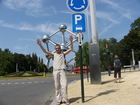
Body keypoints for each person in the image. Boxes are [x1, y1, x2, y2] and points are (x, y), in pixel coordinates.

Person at [37, 35, 73, 105]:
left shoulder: (63, 54)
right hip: (55, 71)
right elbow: (45, 51)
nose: (57, 49)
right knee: (57, 86)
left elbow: (71, 49)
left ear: (60, 48)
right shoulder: (53, 54)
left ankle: (65, 99)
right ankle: (59, 100)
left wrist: (71, 41)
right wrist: (40, 45)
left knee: (64, 85)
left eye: (58, 48)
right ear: (55, 49)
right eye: (56, 48)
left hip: (62, 70)